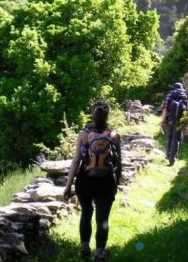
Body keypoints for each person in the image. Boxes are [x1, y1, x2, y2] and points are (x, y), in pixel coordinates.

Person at [63, 101, 122, 262]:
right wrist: (116, 183)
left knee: (86, 213)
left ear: (92, 115)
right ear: (107, 116)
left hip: (85, 180)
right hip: (105, 181)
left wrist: (68, 186)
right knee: (102, 218)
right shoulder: (114, 135)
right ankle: (100, 252)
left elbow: (76, 161)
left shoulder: (83, 135)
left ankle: (84, 248)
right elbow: (119, 162)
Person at [160, 82, 188, 166]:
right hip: (180, 119)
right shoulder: (185, 96)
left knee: (170, 136)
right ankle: (173, 158)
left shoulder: (170, 95)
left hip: (170, 118)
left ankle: (168, 155)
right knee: (177, 138)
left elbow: (165, 109)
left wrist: (162, 121)